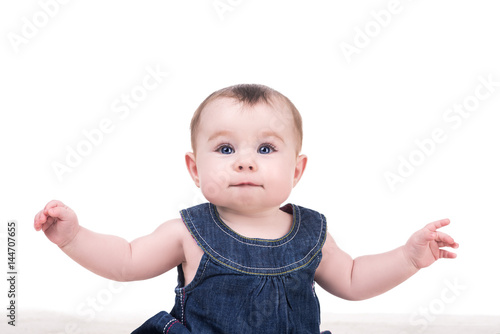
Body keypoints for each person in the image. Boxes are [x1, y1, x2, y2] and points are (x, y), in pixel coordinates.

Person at [34, 84, 459, 333]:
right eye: (225, 148)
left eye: (266, 148)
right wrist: (74, 237)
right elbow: (126, 260)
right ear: (195, 169)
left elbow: (351, 279)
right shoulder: (188, 231)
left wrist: (407, 258)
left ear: (297, 170)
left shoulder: (311, 232)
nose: (245, 160)